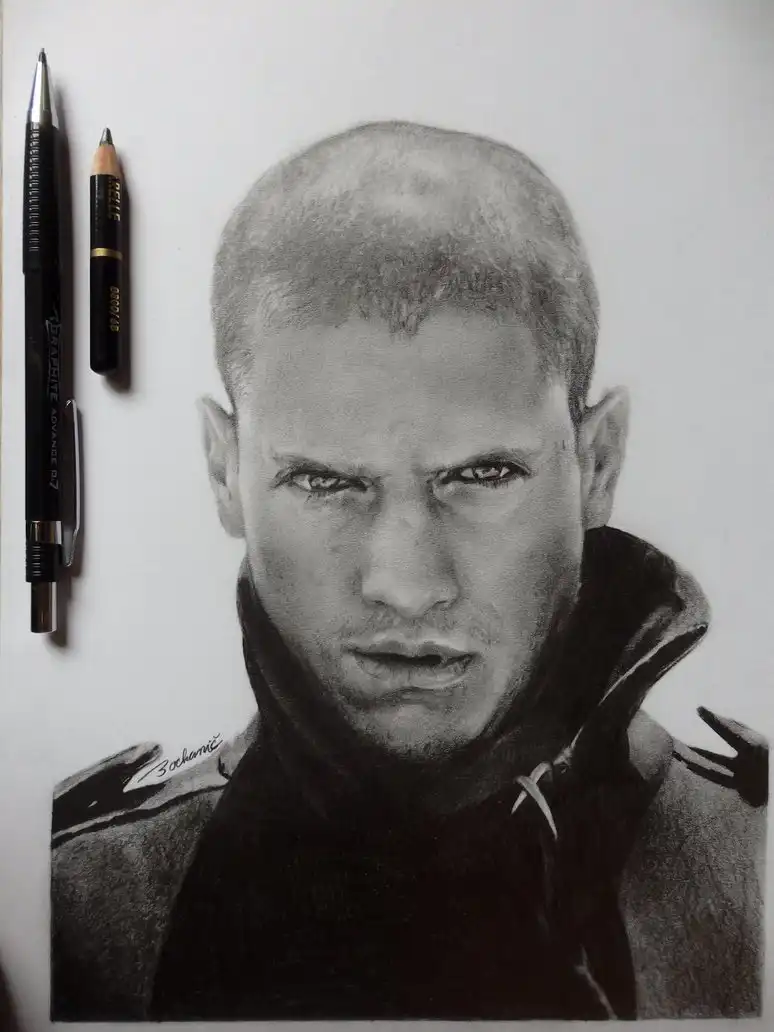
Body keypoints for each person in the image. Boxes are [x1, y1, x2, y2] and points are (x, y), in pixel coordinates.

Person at [50, 121, 767, 1022]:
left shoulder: (759, 860)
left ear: (599, 464)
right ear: (222, 472)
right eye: (325, 481)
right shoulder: (75, 903)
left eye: (483, 475)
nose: (407, 584)